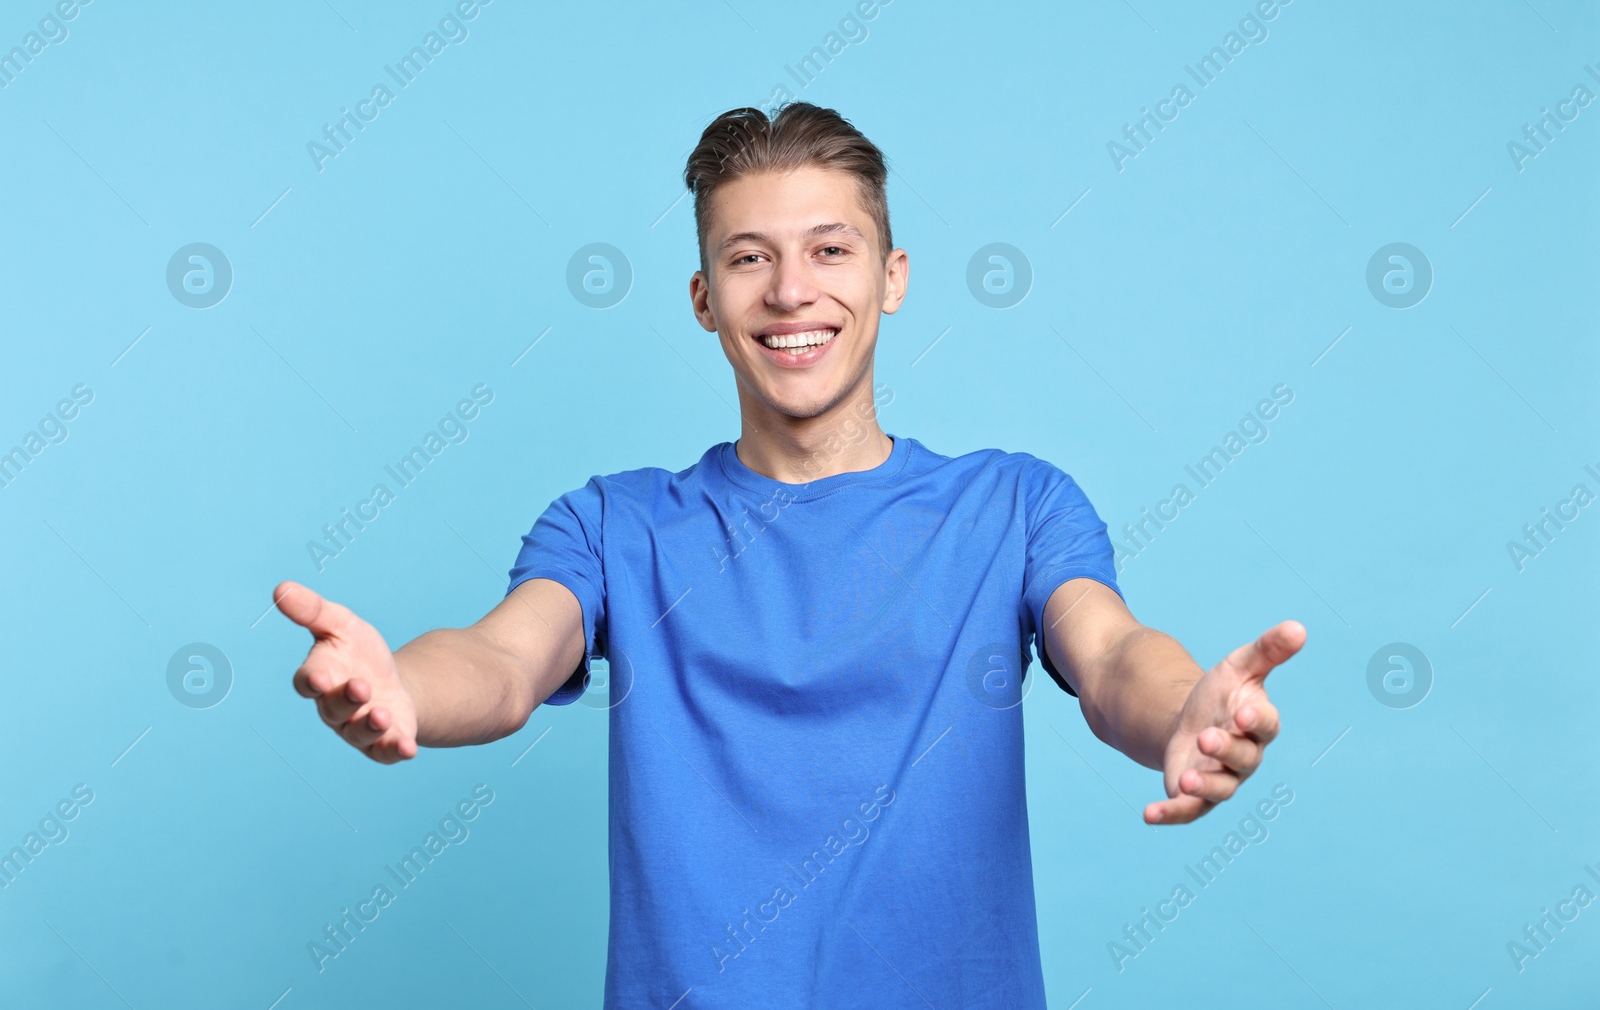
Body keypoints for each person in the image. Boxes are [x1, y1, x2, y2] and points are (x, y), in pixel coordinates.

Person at [274, 102, 1305, 1008]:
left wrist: (1184, 712)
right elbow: (502, 662)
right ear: (702, 297)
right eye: (747, 256)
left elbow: (1112, 652)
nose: (788, 290)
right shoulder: (613, 525)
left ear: (891, 277)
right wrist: (402, 683)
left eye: (830, 249)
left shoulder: (1013, 504)